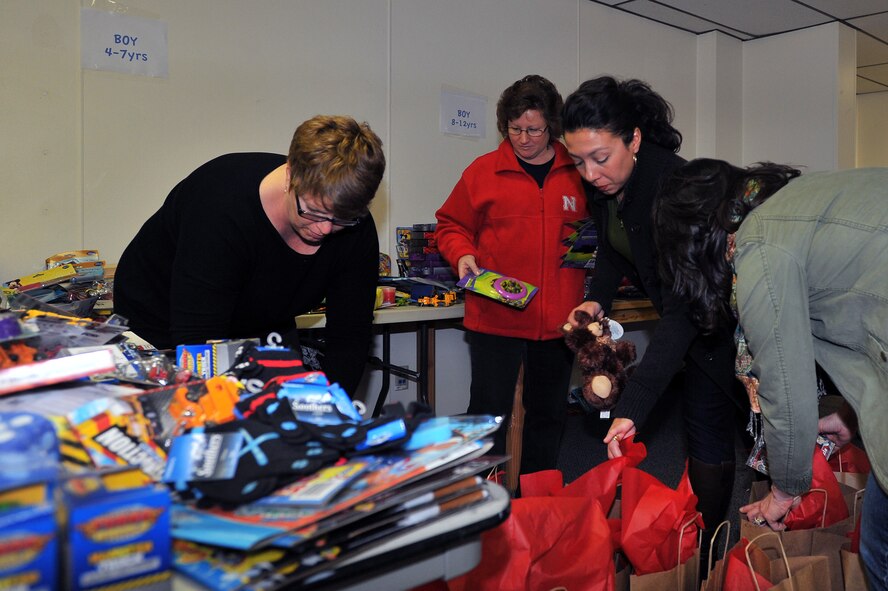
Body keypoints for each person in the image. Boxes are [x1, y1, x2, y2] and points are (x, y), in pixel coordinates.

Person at [654, 158, 888, 590]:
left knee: (881, 551)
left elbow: (785, 384)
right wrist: (853, 415)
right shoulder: (794, 202)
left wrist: (784, 490)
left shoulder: (759, 248)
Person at [561, 76, 744, 538]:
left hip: (721, 322)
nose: (589, 173)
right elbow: (611, 248)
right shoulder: (605, 188)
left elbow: (685, 310)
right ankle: (704, 547)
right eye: (578, 161)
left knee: (720, 424)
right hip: (686, 315)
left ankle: (715, 549)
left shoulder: (673, 189)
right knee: (701, 425)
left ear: (634, 138)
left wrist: (635, 407)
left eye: (600, 158)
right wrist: (595, 299)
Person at [114, 115, 386, 395]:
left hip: (258, 323)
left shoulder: (354, 225)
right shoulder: (221, 207)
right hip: (161, 320)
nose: (326, 228)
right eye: (313, 211)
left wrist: (331, 409)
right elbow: (197, 340)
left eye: (342, 219)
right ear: (291, 176)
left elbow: (350, 334)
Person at [435, 75, 586, 475]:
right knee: (488, 416)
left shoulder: (578, 172)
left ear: (552, 126)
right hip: (495, 319)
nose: (524, 138)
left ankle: (535, 505)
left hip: (558, 322)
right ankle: (482, 501)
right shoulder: (483, 171)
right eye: (515, 129)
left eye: (534, 129)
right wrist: (463, 254)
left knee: (549, 417)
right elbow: (449, 225)